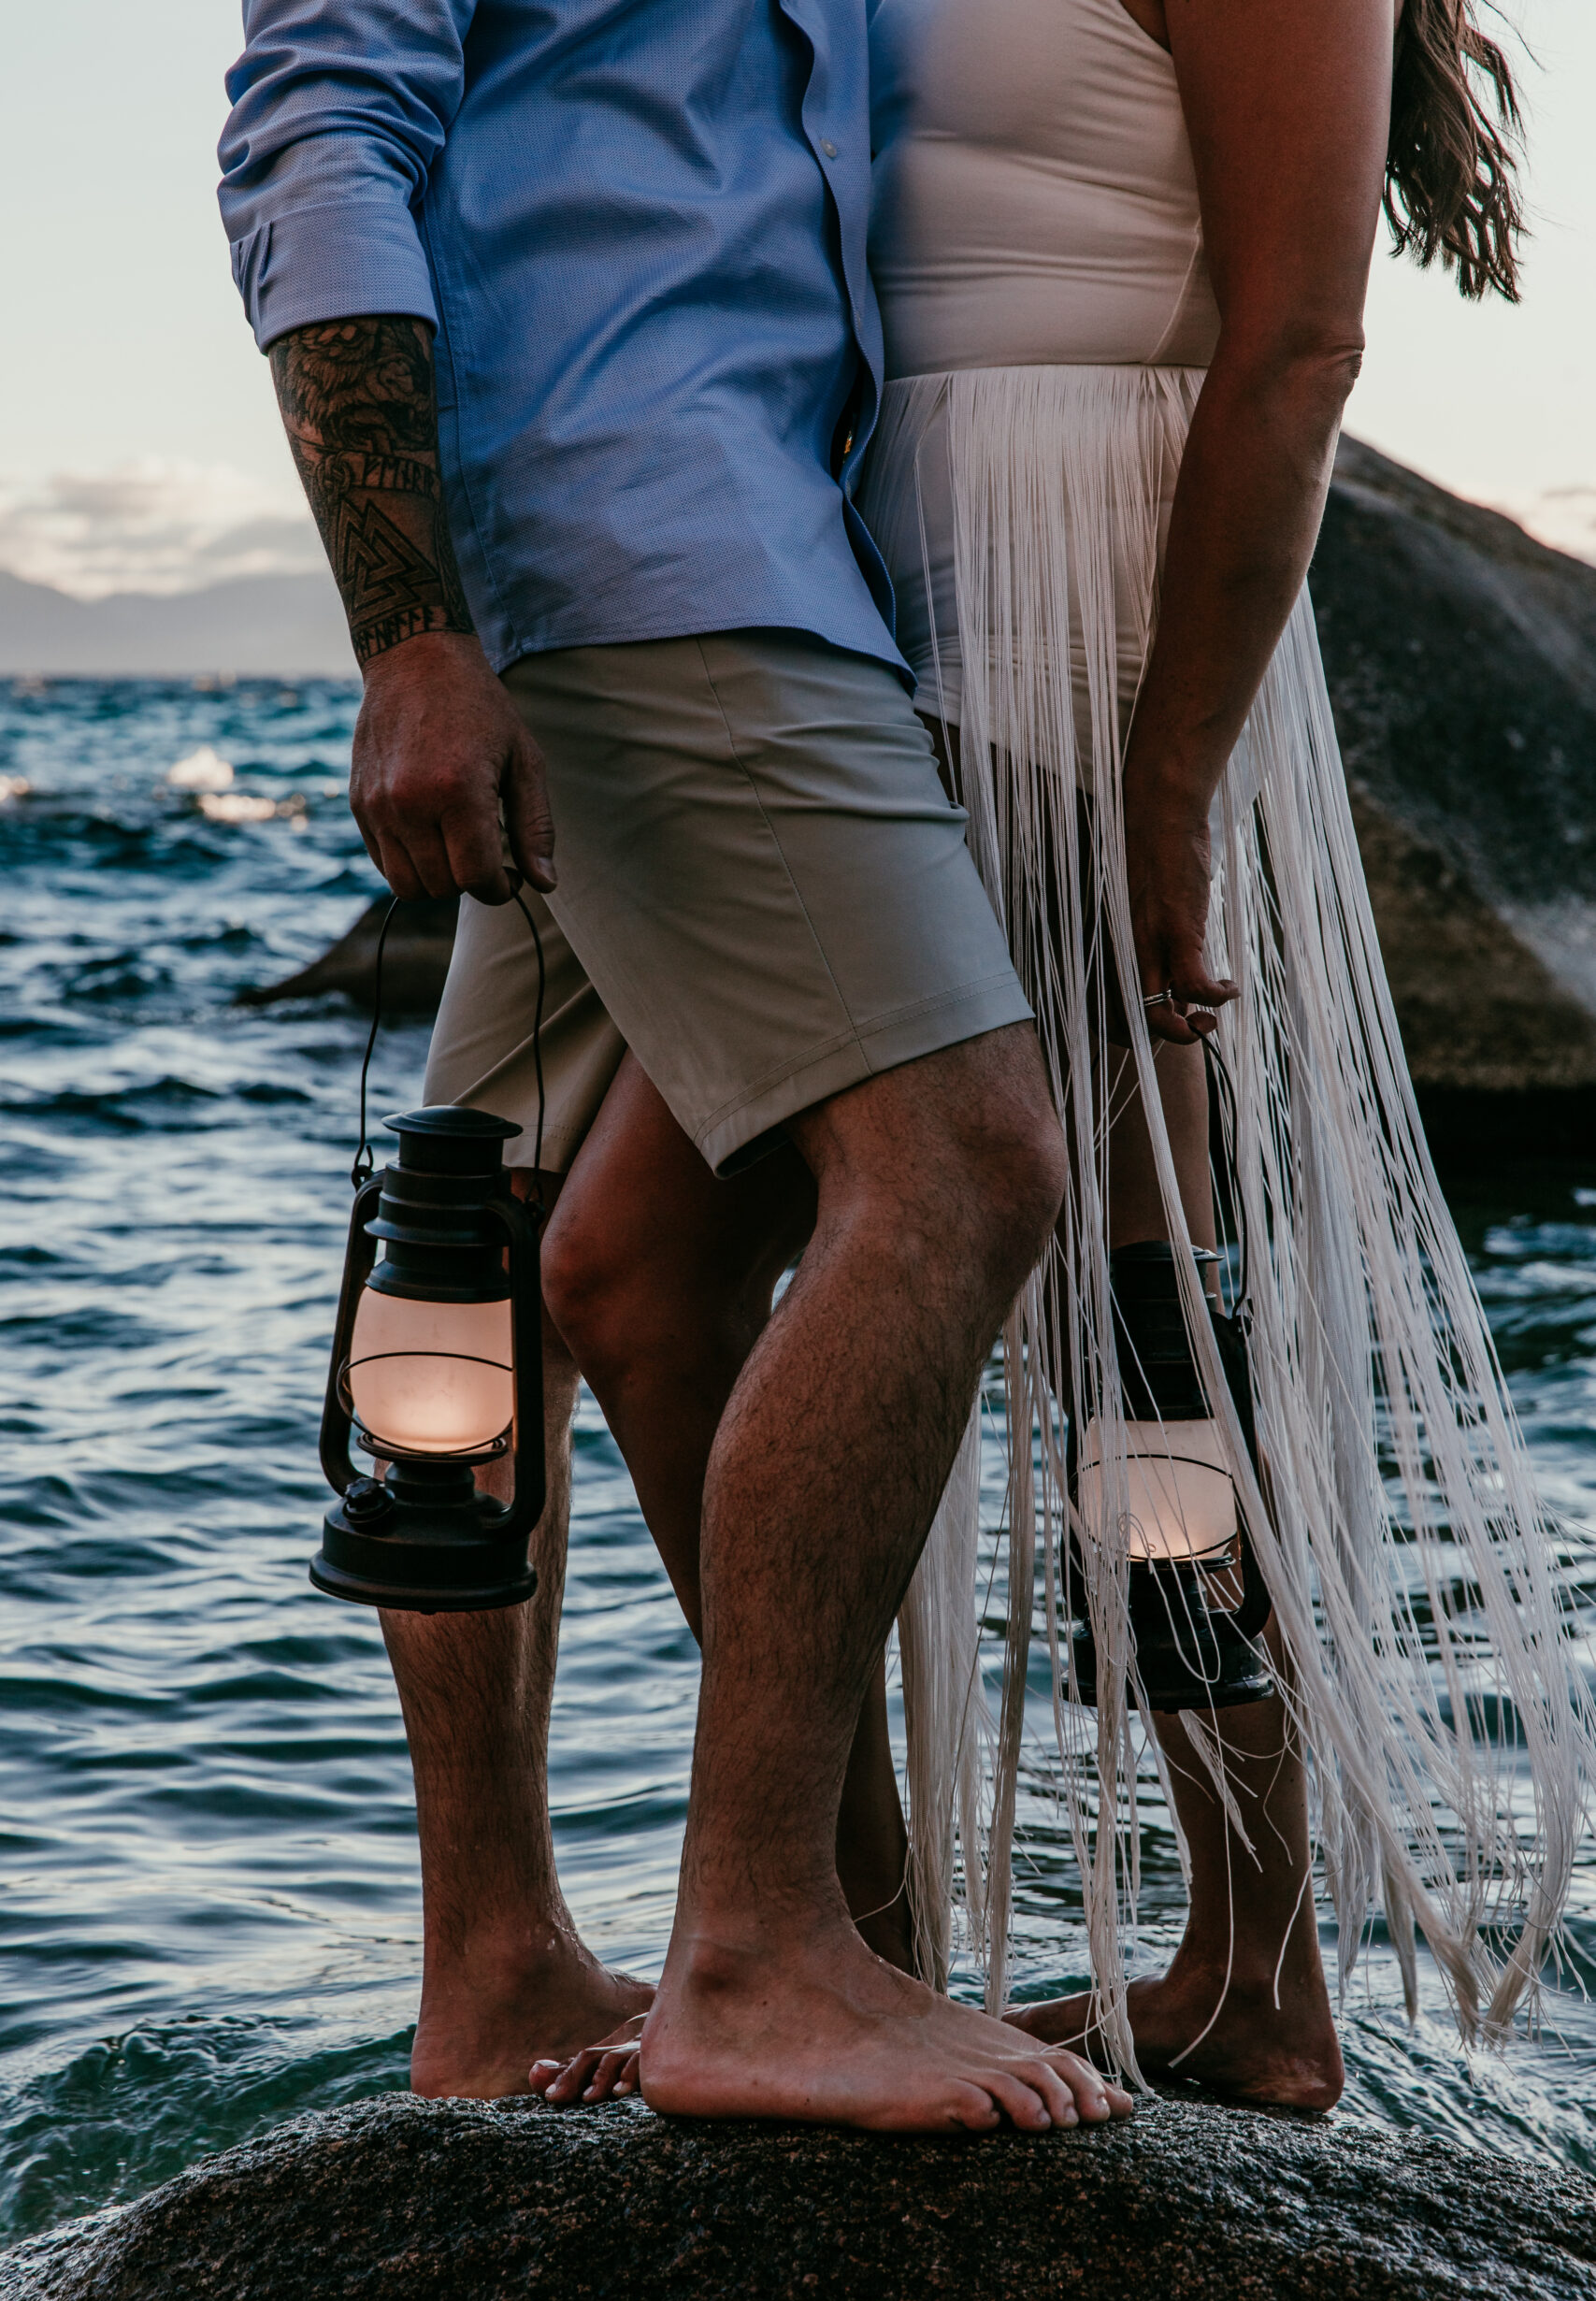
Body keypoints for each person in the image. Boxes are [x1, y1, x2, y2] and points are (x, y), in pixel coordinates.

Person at [219, 0, 1132, 2132]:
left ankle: (494, 1958)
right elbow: (315, 130)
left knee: (471, 1231)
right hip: (644, 542)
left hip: (701, 538)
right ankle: (758, 1952)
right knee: (963, 1165)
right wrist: (404, 635)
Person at [843, 0, 1593, 2108]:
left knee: (1132, 1313)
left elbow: (1296, 344)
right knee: (1048, 1300)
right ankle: (870, 1932)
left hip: (1081, 599)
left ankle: (1251, 1956)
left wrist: (1163, 776)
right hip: (900, 582)